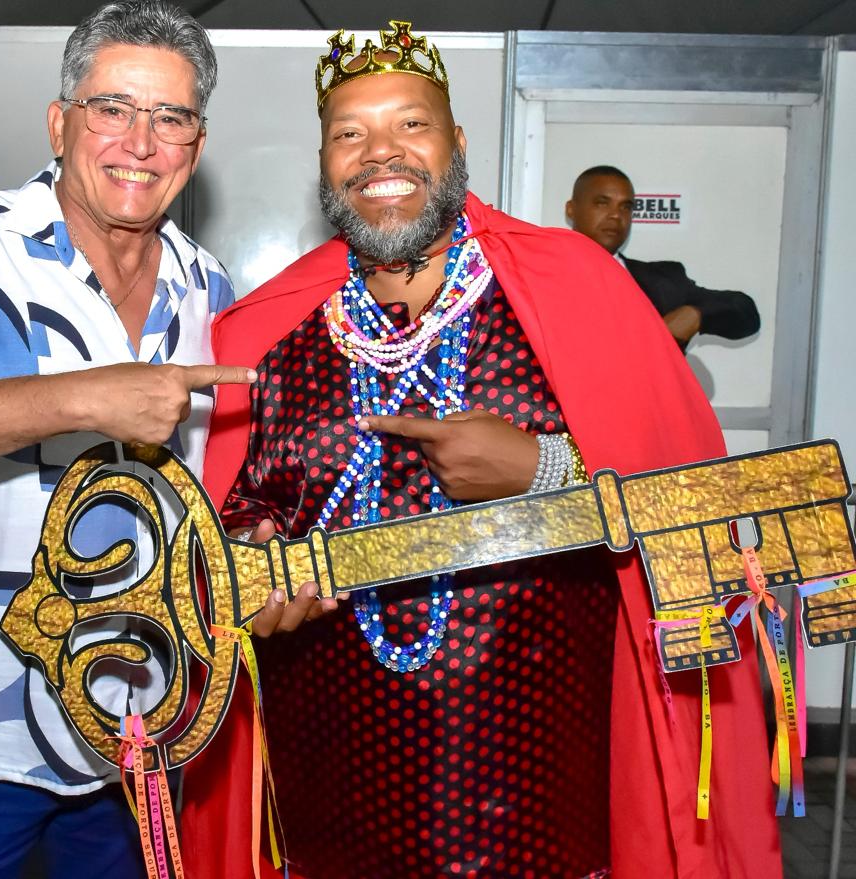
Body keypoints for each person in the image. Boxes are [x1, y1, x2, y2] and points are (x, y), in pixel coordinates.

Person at [181, 22, 782, 879]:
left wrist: (543, 469)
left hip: (537, 785)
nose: (380, 152)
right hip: (331, 782)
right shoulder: (267, 329)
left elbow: (687, 495)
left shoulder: (575, 288)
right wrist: (250, 559)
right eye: (350, 133)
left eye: (410, 124)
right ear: (324, 163)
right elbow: (246, 503)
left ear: (457, 143)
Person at [0, 3, 256, 876]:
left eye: (170, 117)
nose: (141, 142)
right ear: (60, 124)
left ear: (196, 145)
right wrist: (84, 396)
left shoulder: (208, 286)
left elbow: (210, 496)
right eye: (113, 108)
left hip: (136, 727)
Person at [565, 165, 760, 349]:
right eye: (602, 203)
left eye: (626, 207)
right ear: (571, 209)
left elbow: (743, 310)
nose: (616, 215)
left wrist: (697, 314)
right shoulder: (548, 276)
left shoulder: (663, 279)